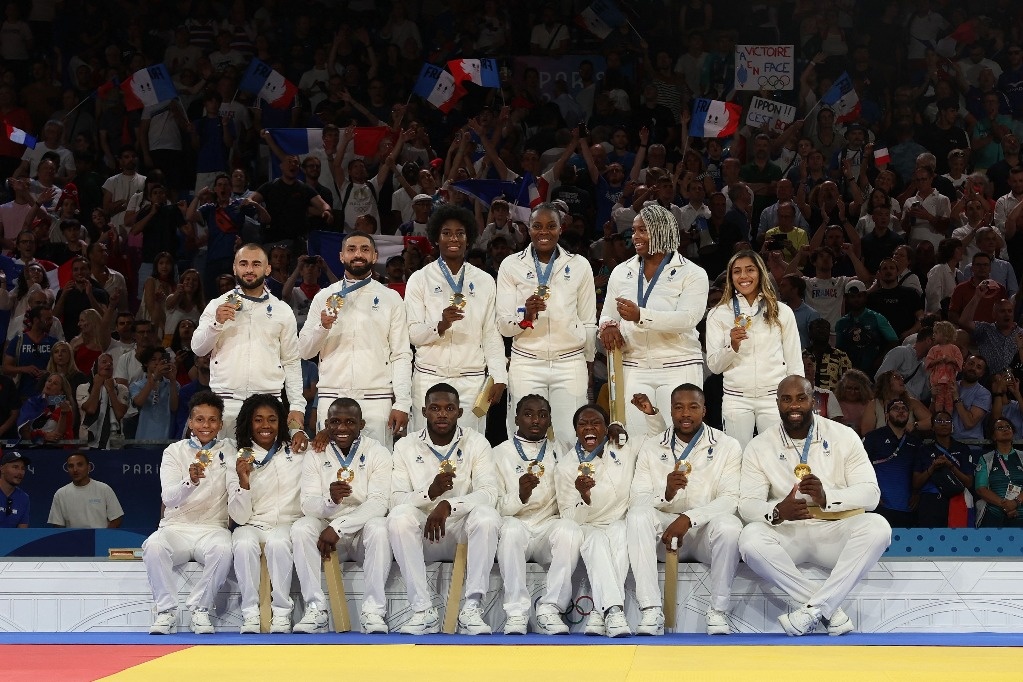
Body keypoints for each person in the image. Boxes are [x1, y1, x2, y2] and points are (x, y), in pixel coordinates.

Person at [738, 375, 891, 636]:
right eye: (786, 399)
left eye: (801, 398)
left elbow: (871, 494)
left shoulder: (844, 436)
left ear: (813, 402)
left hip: (835, 530)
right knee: (749, 539)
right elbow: (747, 505)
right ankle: (825, 609)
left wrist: (826, 498)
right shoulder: (759, 445)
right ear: (777, 404)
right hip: (789, 533)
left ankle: (812, 610)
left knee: (878, 528)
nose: (794, 405)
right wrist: (776, 512)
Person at [626, 383, 743, 635]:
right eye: (678, 408)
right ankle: (650, 610)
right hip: (664, 532)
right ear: (670, 411)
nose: (685, 414)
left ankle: (718, 612)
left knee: (730, 526)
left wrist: (690, 518)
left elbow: (730, 499)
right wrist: (665, 495)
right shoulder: (652, 446)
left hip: (702, 533)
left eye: (693, 407)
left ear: (704, 410)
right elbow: (637, 499)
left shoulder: (727, 445)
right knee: (637, 516)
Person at [388, 383, 500, 635]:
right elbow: (395, 499)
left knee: (488, 516)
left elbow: (489, 493)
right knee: (398, 517)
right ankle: (422, 610)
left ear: (459, 413)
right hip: (424, 532)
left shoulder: (477, 442)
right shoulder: (405, 446)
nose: (442, 414)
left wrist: (449, 504)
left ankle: (472, 608)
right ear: (424, 411)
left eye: (449, 408)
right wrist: (430, 493)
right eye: (435, 408)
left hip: (462, 531)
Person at [555, 401, 663, 638]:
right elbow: (569, 517)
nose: (589, 428)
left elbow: (658, 440)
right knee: (597, 541)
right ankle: (612, 610)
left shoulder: (624, 446)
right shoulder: (565, 466)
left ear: (606, 428)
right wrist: (583, 496)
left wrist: (650, 413)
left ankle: (599, 610)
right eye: (583, 424)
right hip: (588, 526)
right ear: (576, 431)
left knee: (620, 532)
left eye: (596, 423)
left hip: (620, 521)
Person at [299, 231, 412, 445]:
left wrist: (402, 403)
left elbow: (401, 354)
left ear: (375, 256)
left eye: (364, 249)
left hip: (376, 399)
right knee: (331, 469)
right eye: (351, 250)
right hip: (332, 395)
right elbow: (305, 351)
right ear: (341, 256)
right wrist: (322, 327)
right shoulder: (324, 296)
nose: (358, 254)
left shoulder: (391, 298)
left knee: (377, 470)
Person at [599, 204, 709, 423]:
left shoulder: (693, 273)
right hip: (634, 365)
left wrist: (641, 315)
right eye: (634, 230)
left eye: (643, 230)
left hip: (678, 364)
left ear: (662, 231)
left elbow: (688, 319)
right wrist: (609, 326)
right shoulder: (622, 271)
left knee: (678, 437)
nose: (635, 236)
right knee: (638, 439)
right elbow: (607, 314)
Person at [293, 398, 393, 634]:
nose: (342, 428)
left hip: (359, 532)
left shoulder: (377, 452)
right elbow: (307, 504)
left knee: (380, 527)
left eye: (350, 422)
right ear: (326, 424)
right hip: (325, 531)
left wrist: (339, 527)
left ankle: (374, 611)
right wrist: (330, 502)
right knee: (301, 528)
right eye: (335, 422)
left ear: (362, 424)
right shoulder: (316, 453)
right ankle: (315, 609)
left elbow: (379, 503)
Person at [497, 203, 596, 442]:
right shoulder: (511, 265)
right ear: (528, 229)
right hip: (527, 362)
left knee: (568, 437)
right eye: (537, 226)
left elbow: (588, 321)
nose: (544, 232)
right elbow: (503, 325)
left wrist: (589, 363)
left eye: (551, 226)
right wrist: (525, 319)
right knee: (526, 437)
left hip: (569, 361)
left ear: (561, 229)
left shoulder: (579, 265)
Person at [192, 244, 307, 447]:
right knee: (223, 472)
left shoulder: (282, 311)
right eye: (243, 264)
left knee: (267, 473)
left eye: (256, 264)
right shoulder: (217, 305)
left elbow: (291, 361)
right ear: (235, 268)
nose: (249, 270)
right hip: (226, 403)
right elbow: (198, 349)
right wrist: (216, 324)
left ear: (268, 269)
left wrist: (297, 404)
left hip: (268, 405)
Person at [405, 205, 506, 433]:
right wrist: (439, 326)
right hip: (429, 376)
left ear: (468, 239)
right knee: (425, 447)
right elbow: (412, 333)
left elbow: (490, 332)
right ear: (436, 238)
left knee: (469, 448)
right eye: (447, 233)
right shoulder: (419, 279)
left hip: (471, 379)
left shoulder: (484, 280)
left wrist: (499, 375)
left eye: (460, 233)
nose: (454, 238)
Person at [143, 391, 234, 635]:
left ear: (221, 424)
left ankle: (201, 609)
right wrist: (189, 481)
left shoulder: (232, 451)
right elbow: (168, 499)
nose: (206, 425)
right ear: (191, 423)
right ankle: (166, 612)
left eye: (212, 420)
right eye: (200, 420)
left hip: (213, 528)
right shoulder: (174, 451)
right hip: (177, 527)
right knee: (153, 545)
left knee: (225, 549)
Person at [493, 395, 582, 635]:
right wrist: (520, 496)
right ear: (516, 419)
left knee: (570, 530)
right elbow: (494, 507)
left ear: (549, 420)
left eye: (542, 415)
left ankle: (550, 609)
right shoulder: (499, 453)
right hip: (516, 524)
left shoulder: (563, 450)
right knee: (509, 530)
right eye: (529, 414)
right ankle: (516, 613)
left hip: (547, 527)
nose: (536, 420)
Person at [706, 250, 802, 449]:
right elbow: (714, 366)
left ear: (760, 273)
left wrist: (797, 397)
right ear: (730, 277)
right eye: (737, 271)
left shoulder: (781, 311)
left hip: (773, 396)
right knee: (738, 459)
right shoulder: (718, 314)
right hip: (736, 398)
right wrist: (731, 346)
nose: (743, 276)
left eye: (750, 270)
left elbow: (794, 360)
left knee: (778, 456)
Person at [228, 394, 304, 634]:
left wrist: (298, 431)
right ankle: (250, 613)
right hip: (253, 524)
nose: (265, 426)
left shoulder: (297, 448)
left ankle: (282, 612)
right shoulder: (240, 456)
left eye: (272, 419)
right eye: (258, 420)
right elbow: (238, 518)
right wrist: (244, 481)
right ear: (249, 423)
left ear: (281, 422)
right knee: (242, 543)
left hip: (288, 523)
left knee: (279, 543)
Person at [862, 399, 923, 527]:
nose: (901, 411)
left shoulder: (916, 442)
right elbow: (860, 468)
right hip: (879, 505)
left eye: (904, 409)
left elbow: (919, 471)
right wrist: (869, 493)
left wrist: (917, 493)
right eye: (896, 408)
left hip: (908, 508)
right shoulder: (873, 438)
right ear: (886, 415)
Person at [913, 410, 975, 528]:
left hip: (956, 500)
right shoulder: (924, 450)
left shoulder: (962, 449)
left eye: (947, 421)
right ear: (932, 427)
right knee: (930, 541)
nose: (944, 423)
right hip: (930, 502)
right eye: (939, 421)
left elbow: (968, 482)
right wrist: (932, 468)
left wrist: (950, 465)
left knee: (955, 541)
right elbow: (916, 483)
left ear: (952, 426)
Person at [47, 452, 124, 528]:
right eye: (71, 466)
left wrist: (103, 537)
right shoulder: (60, 493)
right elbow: (58, 524)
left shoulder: (104, 489)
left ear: (89, 467)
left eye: (80, 465)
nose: (75, 469)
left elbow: (116, 519)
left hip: (99, 539)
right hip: (73, 539)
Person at [974, 417, 1023, 528]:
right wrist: (1005, 505)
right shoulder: (986, 458)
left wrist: (1015, 503)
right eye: (1000, 428)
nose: (1005, 429)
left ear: (1013, 432)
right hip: (994, 516)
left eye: (1008, 427)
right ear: (993, 436)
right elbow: (981, 489)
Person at [77, 353, 128, 448]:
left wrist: (111, 391)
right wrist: (97, 385)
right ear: (96, 367)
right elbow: (91, 409)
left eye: (111, 363)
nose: (108, 364)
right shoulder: (83, 388)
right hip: (88, 442)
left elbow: (120, 413)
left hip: (114, 442)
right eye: (104, 362)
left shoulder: (121, 389)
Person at [129, 347, 178, 442]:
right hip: (143, 439)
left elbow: (174, 408)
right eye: (153, 360)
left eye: (161, 360)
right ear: (146, 363)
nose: (158, 363)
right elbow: (139, 402)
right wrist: (154, 377)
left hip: (167, 439)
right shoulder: (136, 385)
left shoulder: (173, 384)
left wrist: (172, 380)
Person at [925, 321, 963, 413]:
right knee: (938, 402)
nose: (934, 335)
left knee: (949, 403)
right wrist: (937, 360)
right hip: (937, 382)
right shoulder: (933, 349)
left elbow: (960, 362)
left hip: (950, 382)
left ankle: (948, 419)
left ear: (945, 335)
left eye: (936, 333)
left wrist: (951, 360)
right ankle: (938, 417)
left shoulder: (954, 348)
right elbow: (928, 363)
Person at [0, 450, 30, 528]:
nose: (20, 472)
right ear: (2, 469)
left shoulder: (24, 498)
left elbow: (22, 533)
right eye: (15, 467)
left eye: (23, 468)